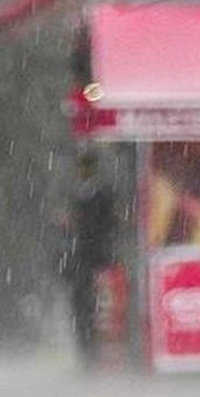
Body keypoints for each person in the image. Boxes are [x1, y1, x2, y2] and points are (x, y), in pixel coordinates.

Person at [61, 149, 117, 368]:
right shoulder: (80, 194)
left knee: (95, 308)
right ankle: (87, 353)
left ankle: (93, 354)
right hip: (86, 260)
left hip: (95, 259)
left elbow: (103, 224)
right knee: (85, 308)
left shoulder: (100, 194)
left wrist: (77, 226)